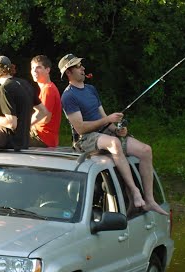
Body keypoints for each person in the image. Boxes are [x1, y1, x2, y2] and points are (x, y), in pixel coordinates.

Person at [59, 53, 168, 215]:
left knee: (145, 150)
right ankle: (135, 192)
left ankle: (150, 201)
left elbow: (103, 118)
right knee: (114, 143)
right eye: (77, 66)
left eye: (81, 65)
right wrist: (108, 121)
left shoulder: (91, 89)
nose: (82, 68)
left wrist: (116, 129)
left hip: (104, 135)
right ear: (69, 72)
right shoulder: (68, 96)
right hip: (85, 140)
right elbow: (81, 128)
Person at [29, 55, 62, 147]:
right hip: (42, 137)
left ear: (47, 70)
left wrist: (24, 125)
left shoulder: (48, 89)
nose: (34, 71)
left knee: (6, 139)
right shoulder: (47, 88)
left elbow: (45, 118)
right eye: (32, 68)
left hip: (43, 139)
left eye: (38, 67)